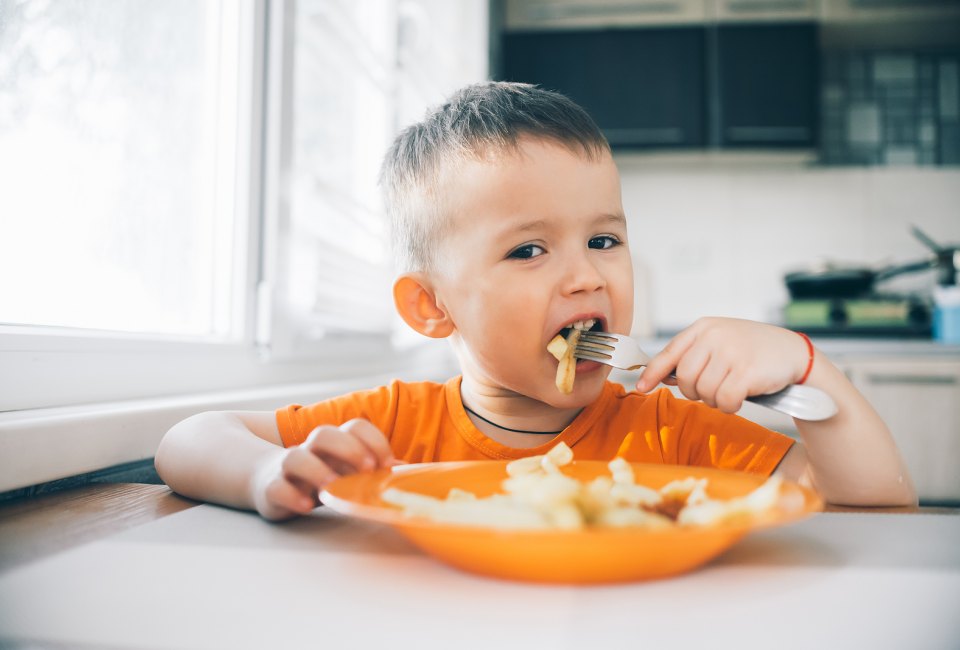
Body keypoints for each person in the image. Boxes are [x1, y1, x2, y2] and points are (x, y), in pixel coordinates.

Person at [155, 82, 916, 521]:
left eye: (604, 241)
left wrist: (812, 370)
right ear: (430, 307)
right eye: (528, 250)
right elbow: (188, 440)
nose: (587, 277)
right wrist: (269, 474)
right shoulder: (394, 430)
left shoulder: (680, 435)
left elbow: (875, 518)